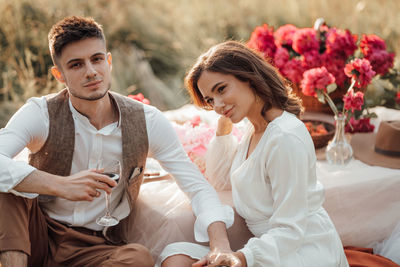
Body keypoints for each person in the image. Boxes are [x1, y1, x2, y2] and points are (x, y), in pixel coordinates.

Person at [0, 16, 234, 267]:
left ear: (108, 61)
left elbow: (196, 186)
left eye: (97, 59)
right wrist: (61, 185)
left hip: (94, 248)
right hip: (35, 234)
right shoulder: (40, 113)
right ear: (59, 74)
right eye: (76, 65)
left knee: (138, 258)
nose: (91, 72)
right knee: (7, 188)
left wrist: (220, 244)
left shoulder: (147, 121)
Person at [158, 40, 349, 267]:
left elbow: (291, 229)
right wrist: (223, 127)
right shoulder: (252, 128)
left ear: (249, 77)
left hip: (303, 249)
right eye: (210, 100)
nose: (217, 104)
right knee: (175, 256)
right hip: (269, 245)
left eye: (221, 89)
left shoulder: (284, 137)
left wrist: (242, 257)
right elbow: (219, 179)